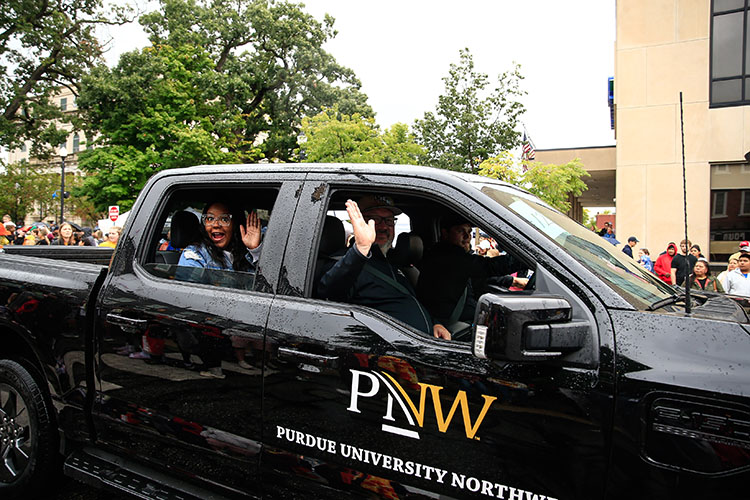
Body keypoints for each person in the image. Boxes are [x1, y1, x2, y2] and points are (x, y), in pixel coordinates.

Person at [316, 196, 451, 340]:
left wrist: (434, 324)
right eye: (374, 220)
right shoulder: (345, 261)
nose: (383, 227)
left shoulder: (391, 261)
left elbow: (409, 301)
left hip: (424, 344)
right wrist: (361, 249)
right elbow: (328, 295)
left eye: (389, 221)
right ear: (359, 223)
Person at [176, 201, 263, 378]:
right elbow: (188, 296)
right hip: (216, 333)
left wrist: (255, 251)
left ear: (236, 223)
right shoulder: (195, 254)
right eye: (210, 219)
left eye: (224, 219)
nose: (216, 224)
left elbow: (265, 289)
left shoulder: (246, 253)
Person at [417, 215, 526, 330]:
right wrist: (525, 257)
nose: (467, 237)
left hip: (454, 315)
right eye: (460, 231)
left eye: (469, 232)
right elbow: (490, 267)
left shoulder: (441, 255)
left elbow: (479, 276)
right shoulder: (450, 257)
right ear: (445, 233)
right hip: (451, 321)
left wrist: (512, 281)